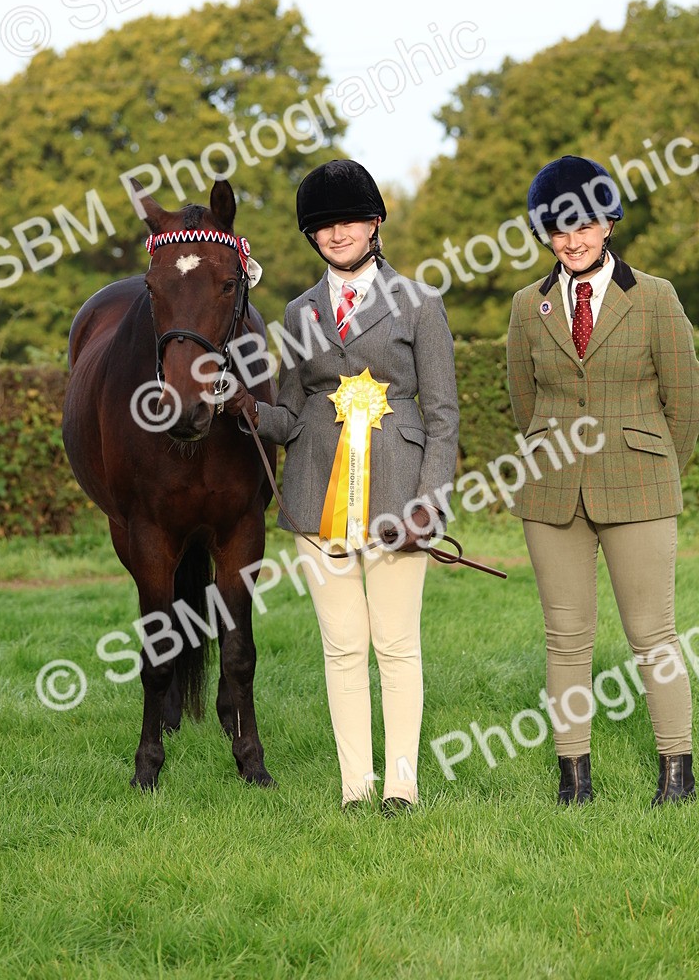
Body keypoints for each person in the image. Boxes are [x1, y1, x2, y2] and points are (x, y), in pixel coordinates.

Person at [224, 159, 459, 813]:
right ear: (312, 235)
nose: (337, 233)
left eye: (349, 220)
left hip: (399, 495)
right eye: (324, 225)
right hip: (316, 496)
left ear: (374, 223)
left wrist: (431, 502)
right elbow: (291, 414)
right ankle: (356, 786)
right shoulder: (299, 312)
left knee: (396, 644)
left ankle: (402, 785)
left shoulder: (420, 302)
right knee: (343, 646)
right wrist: (247, 409)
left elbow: (444, 416)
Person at [507, 154, 699, 806]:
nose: (573, 240)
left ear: (609, 222)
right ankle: (574, 781)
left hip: (640, 486)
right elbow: (524, 401)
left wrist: (655, 465)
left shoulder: (656, 297)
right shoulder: (525, 306)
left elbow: (684, 403)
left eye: (584, 224)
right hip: (552, 492)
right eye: (559, 229)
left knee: (654, 636)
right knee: (565, 640)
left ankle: (677, 776)